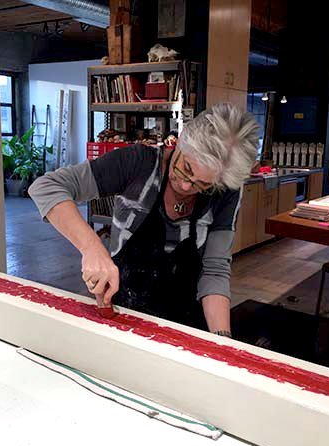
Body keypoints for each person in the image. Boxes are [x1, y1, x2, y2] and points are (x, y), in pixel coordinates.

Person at [29, 103, 260, 337]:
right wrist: (92, 248)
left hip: (186, 323)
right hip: (124, 314)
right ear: (181, 140)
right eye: (186, 168)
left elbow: (215, 270)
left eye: (204, 185)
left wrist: (221, 342)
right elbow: (46, 187)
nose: (186, 185)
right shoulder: (137, 163)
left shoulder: (226, 192)